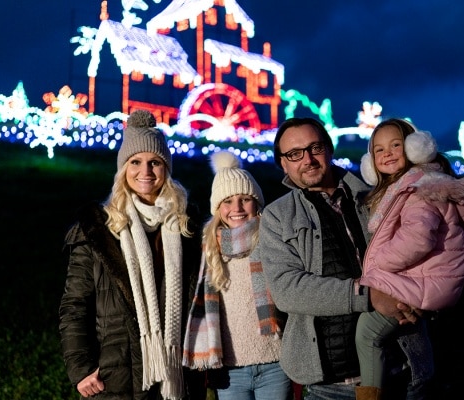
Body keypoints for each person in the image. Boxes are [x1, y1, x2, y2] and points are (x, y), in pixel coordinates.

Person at [258, 117, 427, 400]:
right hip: (332, 386)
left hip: (403, 372)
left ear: (330, 148)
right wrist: (368, 296)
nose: (308, 159)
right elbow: (288, 290)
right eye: (294, 154)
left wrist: (425, 296)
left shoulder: (377, 197)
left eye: (315, 147)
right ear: (283, 164)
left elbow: (422, 248)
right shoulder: (277, 217)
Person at [58, 109, 206, 400]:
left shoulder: (188, 227)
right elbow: (74, 305)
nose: (146, 172)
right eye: (135, 162)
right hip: (116, 378)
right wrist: (81, 368)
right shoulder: (98, 231)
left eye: (155, 162)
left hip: (178, 378)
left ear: (167, 168)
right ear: (123, 168)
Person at [355, 118, 464, 399]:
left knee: (367, 332)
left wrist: (376, 268)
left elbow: (418, 239)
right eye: (378, 150)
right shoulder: (405, 187)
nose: (387, 153)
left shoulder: (420, 190)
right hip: (425, 277)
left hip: (427, 279)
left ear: (414, 148)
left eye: (395, 145)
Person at [182, 150, 292, 400]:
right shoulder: (208, 249)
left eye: (245, 199)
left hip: (275, 362)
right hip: (231, 371)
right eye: (228, 201)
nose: (237, 208)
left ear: (257, 202)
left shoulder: (273, 239)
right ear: (217, 207)